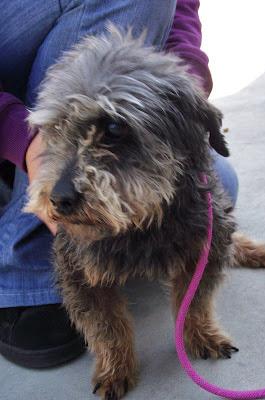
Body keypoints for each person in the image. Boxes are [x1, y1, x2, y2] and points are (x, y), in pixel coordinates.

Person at [0, 0, 238, 369]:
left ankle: (197, 321)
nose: (64, 192)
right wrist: (24, 139)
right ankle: (24, 273)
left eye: (112, 133)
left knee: (222, 192)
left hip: (146, 99)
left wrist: (185, 80)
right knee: (82, 250)